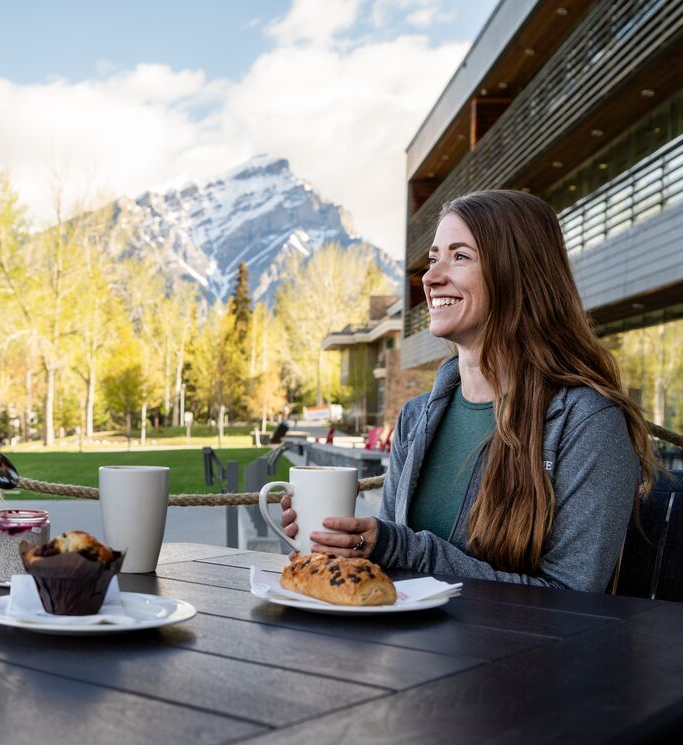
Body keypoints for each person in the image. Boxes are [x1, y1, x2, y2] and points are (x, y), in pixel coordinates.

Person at [281, 190, 657, 591]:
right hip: (410, 648)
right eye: (433, 259)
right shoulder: (416, 416)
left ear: (518, 274)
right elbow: (393, 561)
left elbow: (572, 598)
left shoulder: (587, 421)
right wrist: (344, 546)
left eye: (459, 257)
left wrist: (401, 547)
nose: (430, 278)